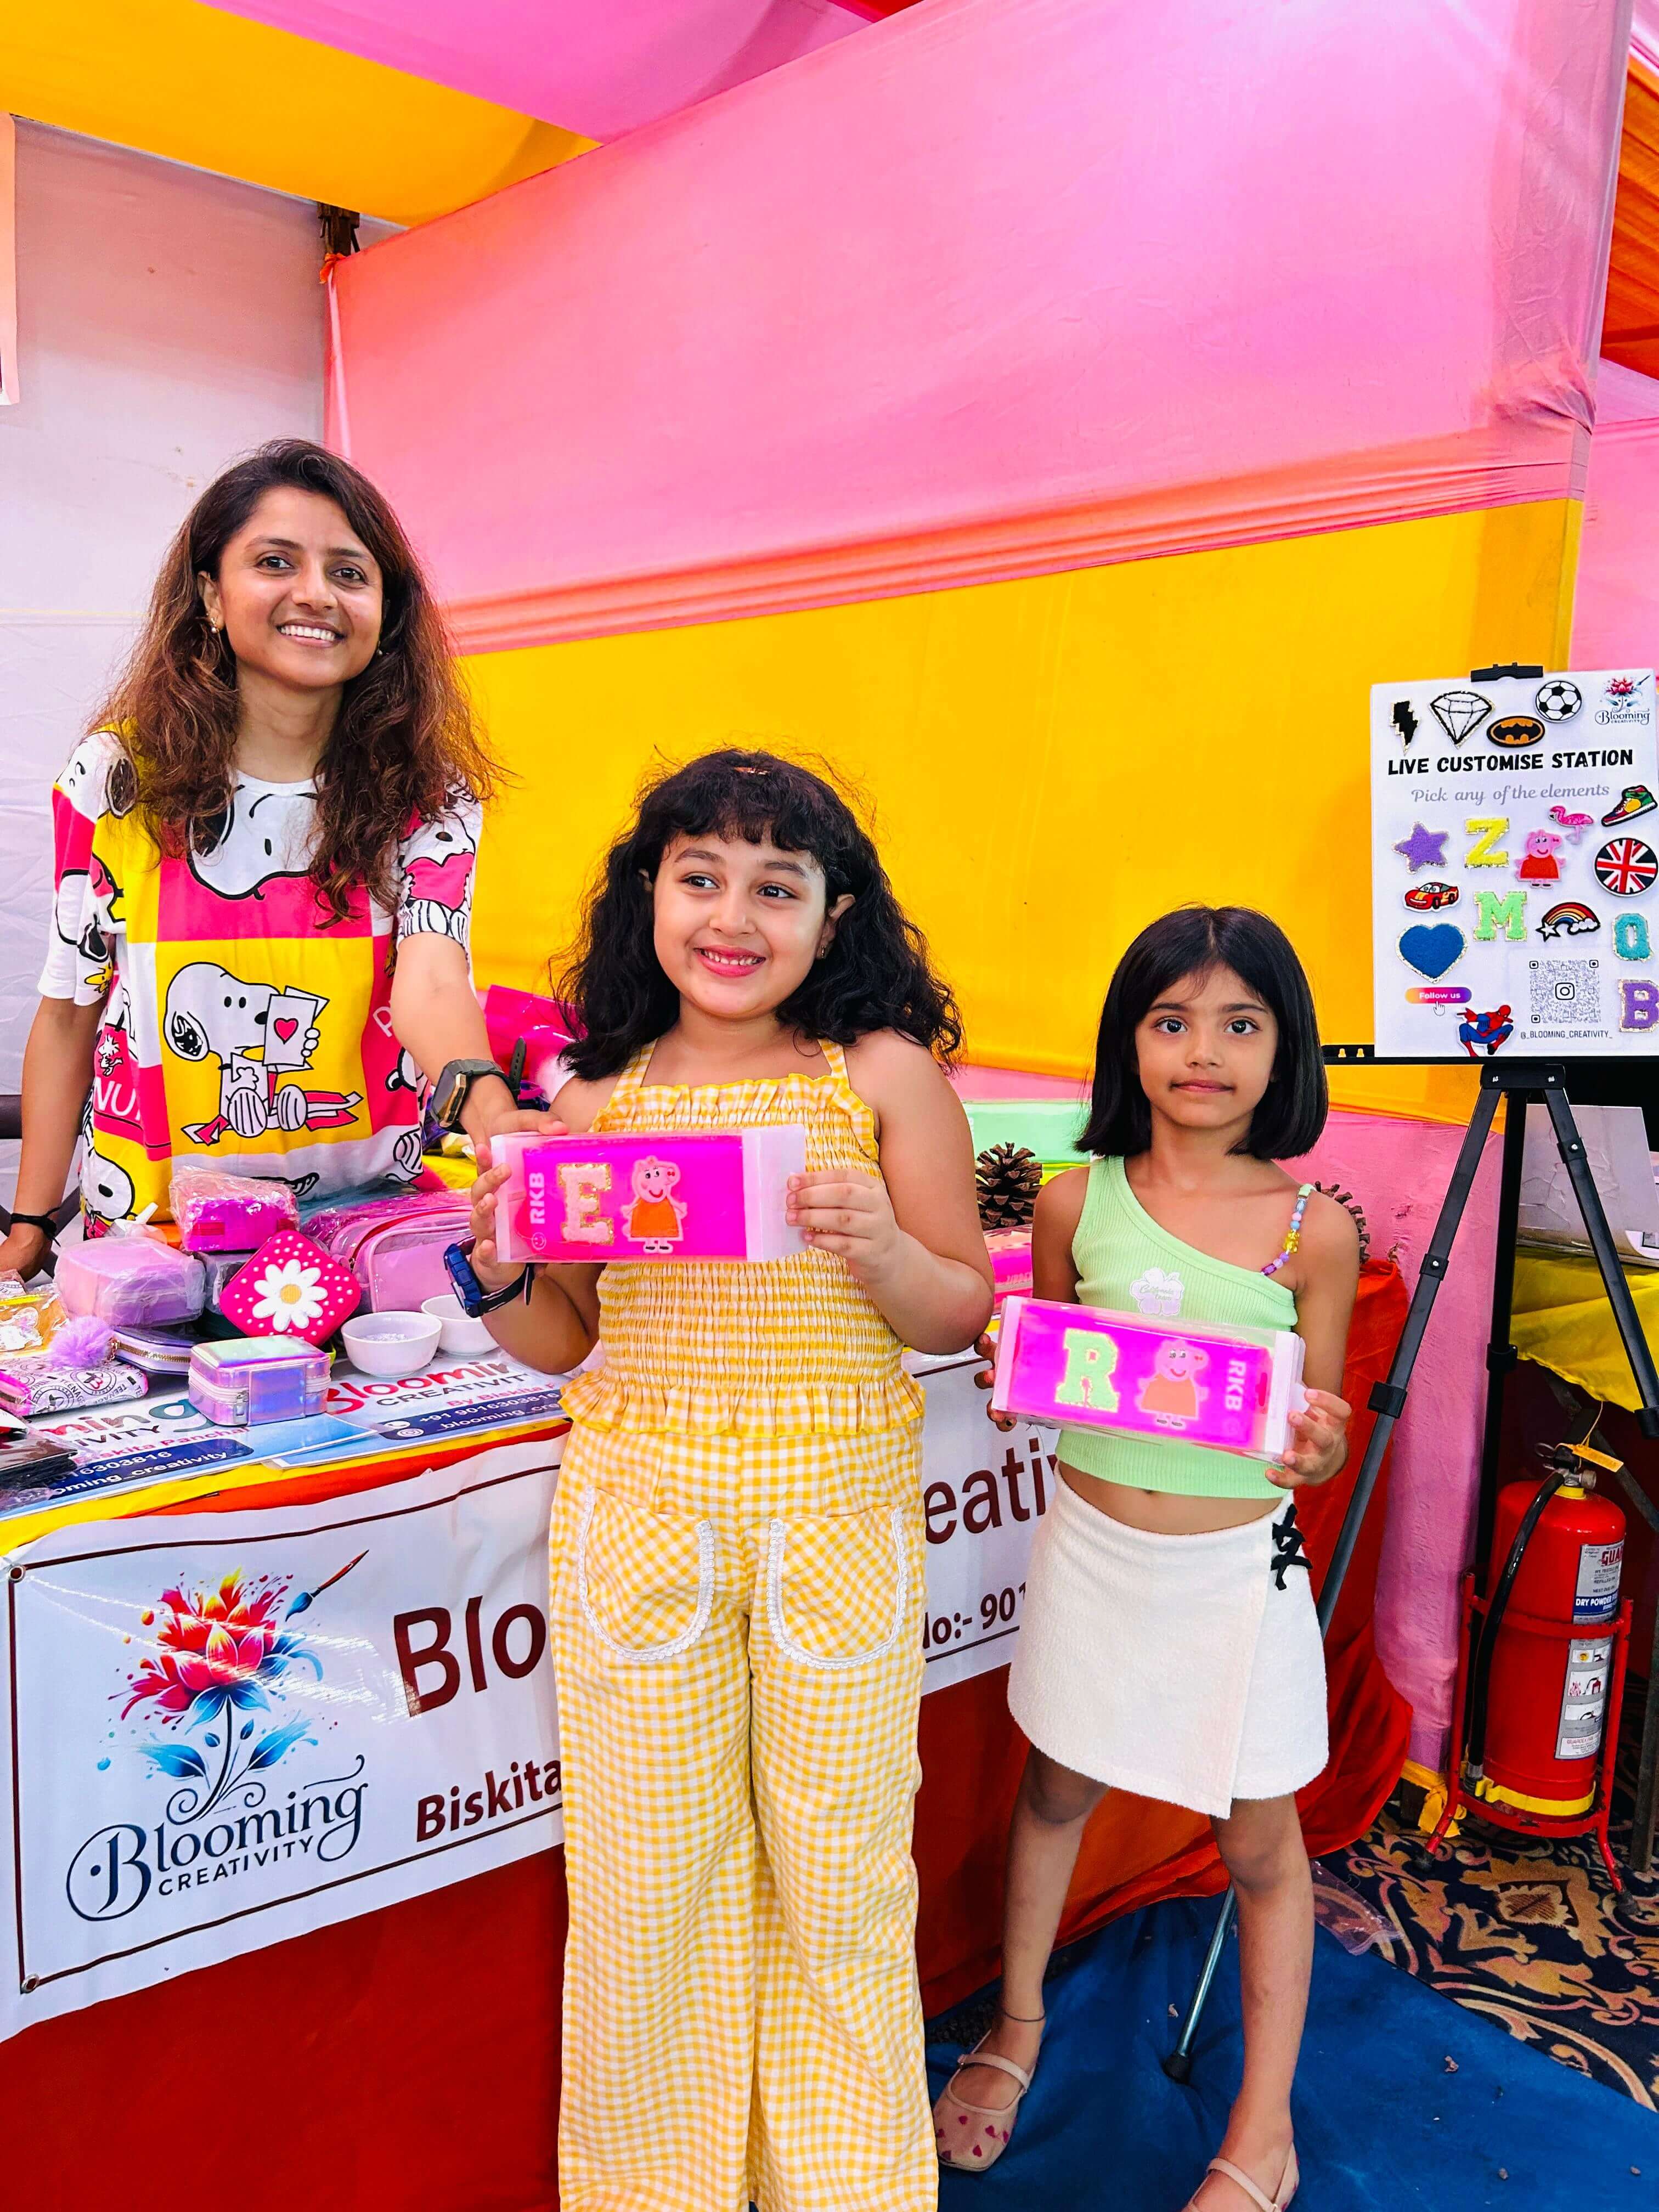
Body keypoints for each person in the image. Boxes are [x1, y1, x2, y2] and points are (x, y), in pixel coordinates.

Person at [463, 749, 992, 2212]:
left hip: (837, 1519)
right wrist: (493, 1270)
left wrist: (886, 1252)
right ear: (648, 900)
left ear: (837, 916)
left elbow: (960, 1306)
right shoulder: (597, 1106)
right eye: (700, 878)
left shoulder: (877, 1077)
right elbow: (565, 1340)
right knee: (649, 1887)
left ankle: (849, 2188)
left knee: (842, 1882)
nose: (734, 916)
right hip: (641, 1517)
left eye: (779, 886)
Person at [933, 907, 1358, 2210]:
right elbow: (1046, 1368)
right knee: (1056, 1791)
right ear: (1130, 1041)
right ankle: (1018, 2025)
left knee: (1260, 1847)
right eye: (1172, 1020)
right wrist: (1018, 1384)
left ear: (1282, 1050)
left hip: (1233, 1581)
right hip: (1092, 1555)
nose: (1204, 1051)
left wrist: (1317, 1447)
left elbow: (1318, 1434)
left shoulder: (1311, 1232)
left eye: (1241, 1024)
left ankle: (1263, 2126)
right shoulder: (1077, 1199)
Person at [3, 438, 547, 1272]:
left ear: (385, 613)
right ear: (212, 595)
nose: (314, 595)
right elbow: (72, 1006)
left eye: (349, 573)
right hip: (152, 1240)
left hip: (363, 1231)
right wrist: (32, 1225)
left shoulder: (429, 796)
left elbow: (433, 978)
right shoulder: (117, 779)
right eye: (275, 562)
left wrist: (494, 1113)